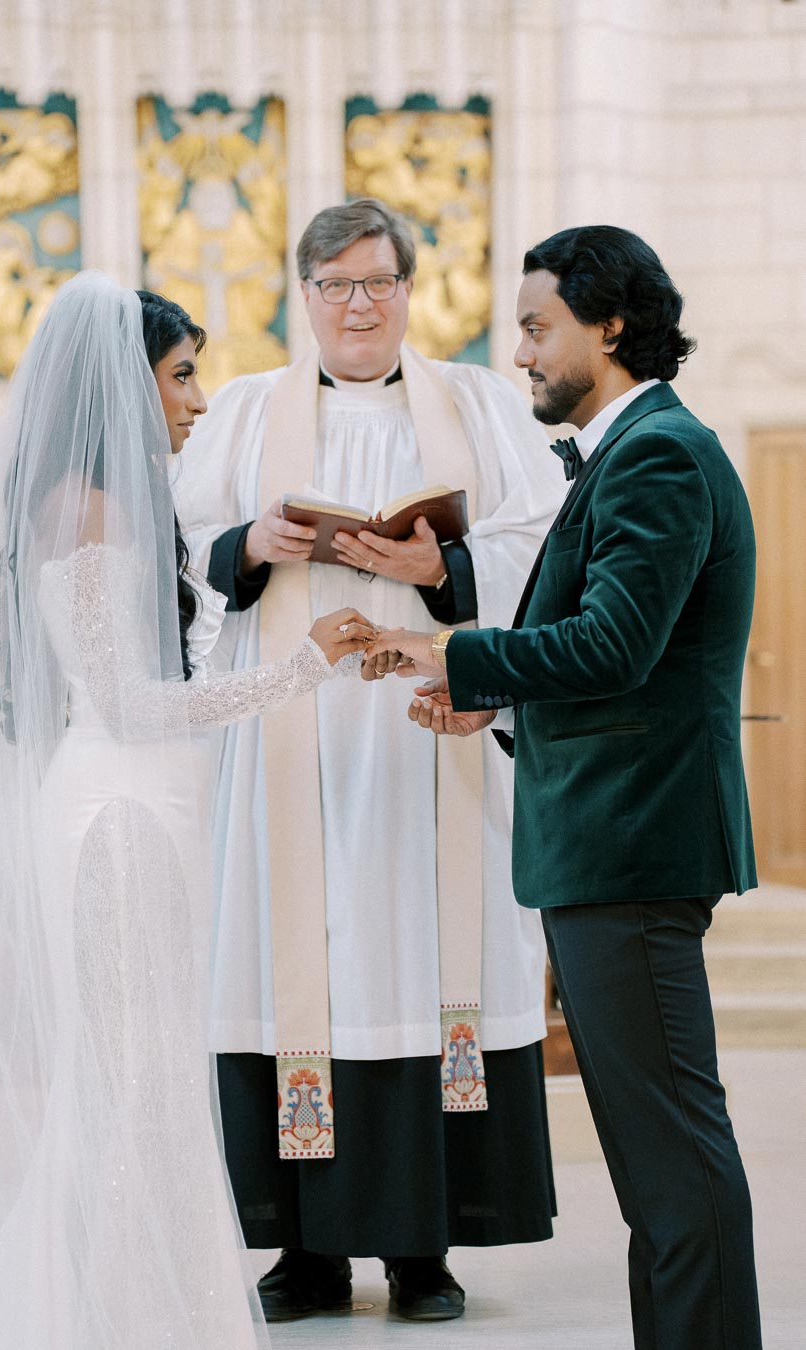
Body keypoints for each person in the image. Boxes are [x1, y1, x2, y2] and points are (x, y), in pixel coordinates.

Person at [0, 272, 375, 1349]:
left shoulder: (117, 506)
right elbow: (126, 704)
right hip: (117, 820)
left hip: (144, 811)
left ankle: (136, 1313)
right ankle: (120, 1323)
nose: (198, 398)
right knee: (132, 1095)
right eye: (180, 374)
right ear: (123, 385)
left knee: (149, 1088)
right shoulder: (87, 509)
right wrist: (298, 669)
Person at [364, 225, 763, 1350]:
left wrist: (461, 656)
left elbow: (615, 644)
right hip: (606, 842)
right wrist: (491, 703)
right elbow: (605, 661)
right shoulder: (632, 452)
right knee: (653, 1163)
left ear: (613, 326)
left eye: (539, 327)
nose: (523, 350)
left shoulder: (659, 455)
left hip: (631, 846)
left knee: (673, 1157)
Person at [172, 198, 565, 1323]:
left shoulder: (479, 408)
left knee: (410, 968)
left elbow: (542, 542)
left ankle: (421, 1251)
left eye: (378, 282)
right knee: (292, 976)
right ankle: (301, 1253)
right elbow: (186, 560)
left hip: (421, 746)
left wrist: (443, 564)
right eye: (337, 286)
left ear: (409, 289)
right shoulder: (248, 415)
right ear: (305, 297)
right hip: (286, 758)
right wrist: (247, 546)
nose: (359, 305)